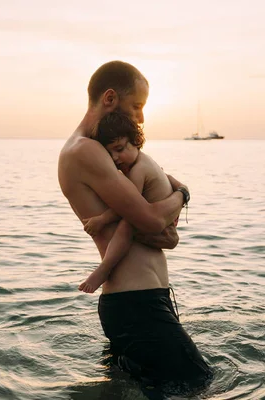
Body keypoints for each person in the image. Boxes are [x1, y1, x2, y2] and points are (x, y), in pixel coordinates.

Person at [58, 61, 212, 392]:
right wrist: (183, 193)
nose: (141, 118)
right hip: (136, 305)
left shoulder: (97, 150)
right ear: (110, 98)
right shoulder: (85, 151)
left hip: (139, 301)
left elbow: (157, 231)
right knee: (200, 386)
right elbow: (151, 219)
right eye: (137, 106)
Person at [78, 112, 177, 294]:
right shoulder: (145, 161)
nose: (115, 158)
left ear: (136, 141)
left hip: (157, 219)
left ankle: (104, 269)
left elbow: (127, 207)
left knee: (125, 226)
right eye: (110, 153)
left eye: (120, 149)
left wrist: (102, 219)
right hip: (161, 219)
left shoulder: (138, 170)